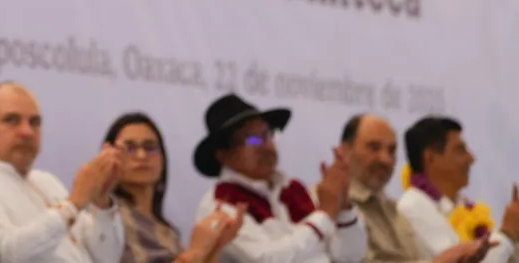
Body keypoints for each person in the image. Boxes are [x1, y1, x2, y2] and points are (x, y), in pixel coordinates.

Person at [0, 81, 125, 263]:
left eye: (35, 122)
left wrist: (102, 205)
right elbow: (6, 254)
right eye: (11, 120)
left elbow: (107, 258)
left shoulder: (46, 182)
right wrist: (73, 204)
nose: (27, 131)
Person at [192, 93, 366, 263]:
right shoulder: (222, 205)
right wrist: (324, 214)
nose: (266, 145)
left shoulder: (293, 191)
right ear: (224, 155)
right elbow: (267, 259)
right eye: (253, 139)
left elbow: (350, 257)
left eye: (268, 134)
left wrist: (343, 208)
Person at [338, 114, 494, 263]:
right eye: (374, 147)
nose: (385, 159)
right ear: (345, 150)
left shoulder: (394, 212)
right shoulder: (332, 203)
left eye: (391, 151)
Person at [104, 112, 243, 263]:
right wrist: (196, 251)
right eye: (130, 148)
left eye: (150, 147)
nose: (142, 155)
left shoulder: (166, 231)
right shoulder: (108, 219)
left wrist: (214, 247)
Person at [397, 117, 519, 263]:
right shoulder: (413, 205)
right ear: (430, 158)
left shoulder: (463, 206)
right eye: (460, 150)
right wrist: (507, 233)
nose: (471, 158)